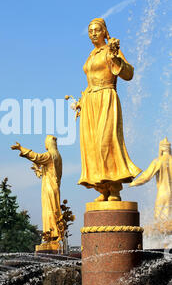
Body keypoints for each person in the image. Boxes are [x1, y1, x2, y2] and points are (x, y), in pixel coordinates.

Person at [76, 18, 141, 201]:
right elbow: (89, 81)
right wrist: (81, 101)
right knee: (93, 146)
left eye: (97, 30)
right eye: (90, 31)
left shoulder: (111, 50)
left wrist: (115, 58)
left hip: (106, 98)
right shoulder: (91, 54)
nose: (93, 33)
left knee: (106, 141)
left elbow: (129, 73)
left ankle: (114, 187)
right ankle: (102, 187)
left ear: (105, 31)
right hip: (90, 102)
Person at [11, 135, 62, 240]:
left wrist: (21, 148)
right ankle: (51, 235)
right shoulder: (57, 155)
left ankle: (52, 234)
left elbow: (37, 157)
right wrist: (38, 170)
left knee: (50, 211)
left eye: (45, 144)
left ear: (48, 144)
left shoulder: (51, 155)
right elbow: (48, 172)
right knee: (52, 210)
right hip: (53, 188)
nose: (45, 146)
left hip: (49, 189)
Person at [130, 137, 172, 221]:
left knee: (159, 220)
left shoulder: (158, 161)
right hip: (170, 194)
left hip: (162, 193)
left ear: (161, 148)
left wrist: (133, 183)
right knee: (168, 219)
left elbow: (146, 176)